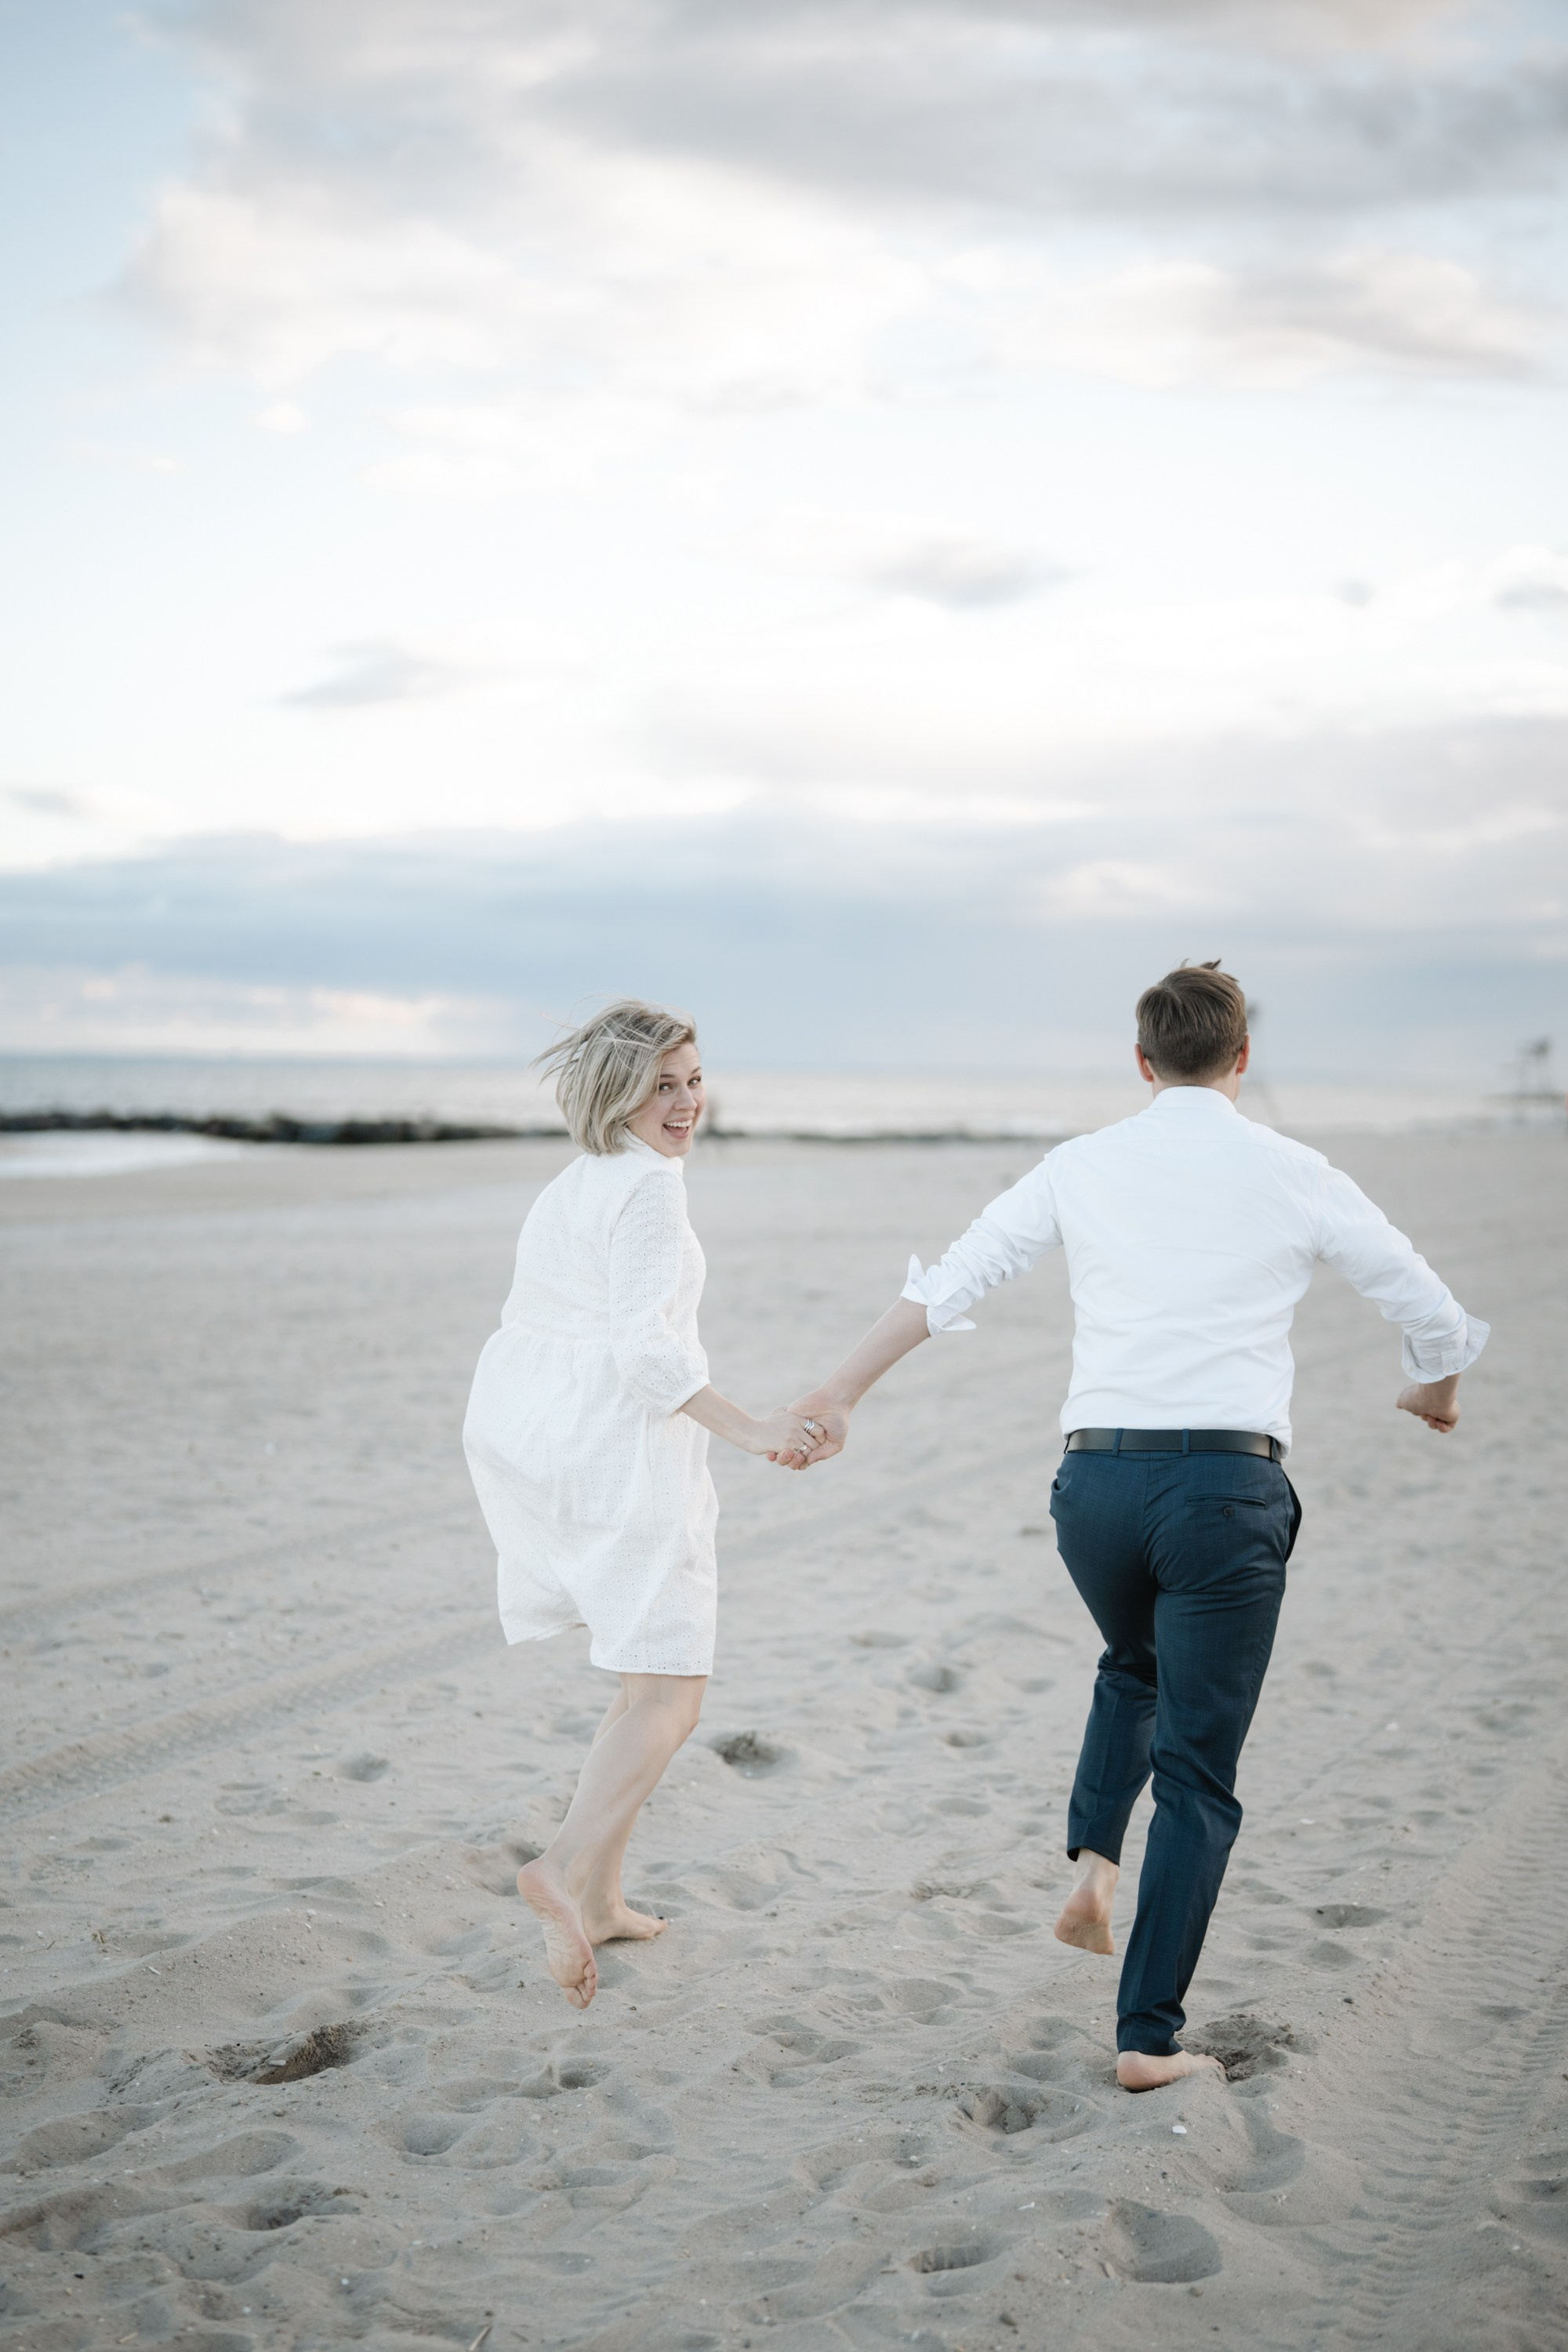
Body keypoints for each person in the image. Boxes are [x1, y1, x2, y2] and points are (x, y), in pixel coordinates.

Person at [780, 962, 1486, 2089]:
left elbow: (954, 1281)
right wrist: (1433, 1392)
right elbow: (1431, 1311)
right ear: (1243, 1057)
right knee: (1200, 1774)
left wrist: (840, 1392)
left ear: (1144, 1063)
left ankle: (1096, 1868)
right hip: (1224, 1492)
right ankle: (1147, 2040)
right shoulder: (1296, 1171)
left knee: (1134, 1659)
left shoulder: (1082, 1163)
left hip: (1095, 1490)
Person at [463, 1000, 821, 2009]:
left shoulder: (582, 1179)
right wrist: (752, 1428)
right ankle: (561, 1868)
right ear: (615, 1093)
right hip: (623, 1452)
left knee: (639, 1684)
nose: (687, 1102)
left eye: (694, 1080)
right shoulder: (652, 1190)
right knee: (672, 1695)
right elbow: (647, 1352)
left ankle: (604, 1896)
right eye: (663, 1085)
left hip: (557, 1441)